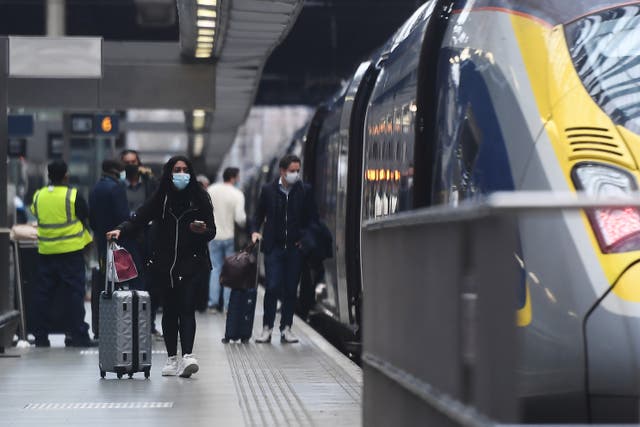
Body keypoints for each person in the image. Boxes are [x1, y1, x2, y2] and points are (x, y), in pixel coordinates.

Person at [106, 155, 216, 378]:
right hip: (164, 263)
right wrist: (121, 229)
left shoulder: (200, 197)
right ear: (169, 172)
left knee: (186, 308)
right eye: (177, 169)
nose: (181, 174)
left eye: (185, 169)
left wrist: (201, 231)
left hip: (191, 261)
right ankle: (171, 358)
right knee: (169, 310)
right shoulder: (162, 197)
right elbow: (140, 217)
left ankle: (187, 356)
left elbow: (212, 230)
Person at [251, 154, 318, 344]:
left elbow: (313, 219)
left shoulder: (304, 191)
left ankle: (286, 328)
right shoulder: (268, 190)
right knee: (272, 288)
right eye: (292, 171)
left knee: (290, 290)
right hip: (274, 247)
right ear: (282, 171)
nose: (295, 174)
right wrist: (255, 232)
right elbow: (257, 215)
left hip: (295, 249)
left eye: (297, 171)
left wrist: (304, 239)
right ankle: (267, 328)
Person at [30, 160, 95, 347]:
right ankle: (78, 335)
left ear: (49, 176)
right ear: (66, 175)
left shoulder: (38, 196)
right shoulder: (73, 195)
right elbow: (84, 216)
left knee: (43, 296)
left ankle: (41, 337)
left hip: (46, 252)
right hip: (71, 252)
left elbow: (36, 213)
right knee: (74, 294)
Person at [120, 149, 162, 337]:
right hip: (127, 238)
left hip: (148, 238)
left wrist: (151, 178)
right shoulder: (119, 186)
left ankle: (149, 323)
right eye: (126, 162)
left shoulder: (148, 183)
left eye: (133, 161)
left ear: (139, 163)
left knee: (151, 282)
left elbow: (158, 201)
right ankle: (132, 324)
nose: (130, 165)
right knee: (131, 282)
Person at [88, 159, 131, 338]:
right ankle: (117, 325)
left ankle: (99, 327)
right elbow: (123, 216)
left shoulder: (95, 188)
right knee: (119, 282)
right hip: (117, 242)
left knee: (104, 281)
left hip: (101, 241)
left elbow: (92, 218)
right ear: (115, 171)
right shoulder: (116, 188)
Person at [207, 167, 246, 312]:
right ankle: (227, 305)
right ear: (234, 177)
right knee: (230, 271)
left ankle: (212, 303)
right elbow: (240, 218)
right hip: (229, 237)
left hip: (214, 236)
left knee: (215, 269)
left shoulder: (211, 190)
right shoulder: (237, 194)